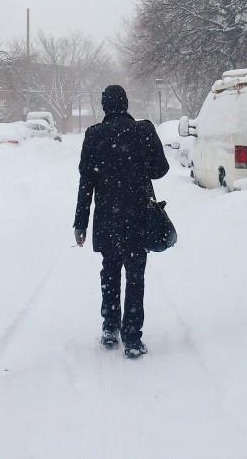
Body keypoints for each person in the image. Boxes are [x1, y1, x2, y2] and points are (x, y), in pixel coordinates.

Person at [73, 84, 169, 358]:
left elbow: (86, 184)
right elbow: (160, 169)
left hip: (107, 218)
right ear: (126, 103)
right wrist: (139, 167)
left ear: (104, 106)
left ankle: (109, 326)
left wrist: (80, 223)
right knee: (135, 276)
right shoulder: (143, 130)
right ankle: (132, 338)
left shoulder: (93, 136)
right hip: (138, 216)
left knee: (110, 271)